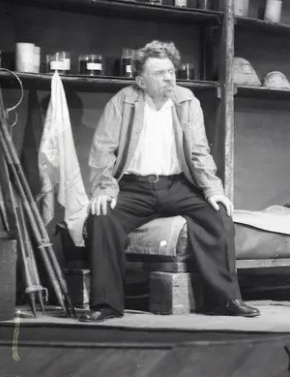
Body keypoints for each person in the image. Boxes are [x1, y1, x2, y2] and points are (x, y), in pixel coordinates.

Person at [78, 40, 259, 321]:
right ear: (141, 81)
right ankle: (106, 305)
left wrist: (212, 189)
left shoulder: (187, 101)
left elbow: (199, 150)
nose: (169, 78)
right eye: (160, 73)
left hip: (177, 186)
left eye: (171, 71)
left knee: (218, 214)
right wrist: (103, 189)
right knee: (101, 217)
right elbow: (103, 151)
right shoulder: (122, 101)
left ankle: (226, 299)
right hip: (133, 188)